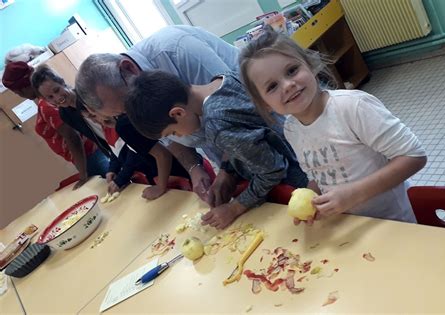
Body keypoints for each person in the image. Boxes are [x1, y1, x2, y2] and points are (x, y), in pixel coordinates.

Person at [239, 29, 427, 224]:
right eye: (272, 86)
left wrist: (355, 194)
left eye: (292, 70)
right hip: (345, 226)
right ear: (265, 104)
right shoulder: (291, 129)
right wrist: (312, 198)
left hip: (393, 222)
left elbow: (414, 156)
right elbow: (319, 175)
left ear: (310, 65)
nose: (287, 85)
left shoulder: (352, 108)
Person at [124, 69, 309, 229]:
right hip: (303, 150)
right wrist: (227, 170)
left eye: (173, 131)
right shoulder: (224, 79)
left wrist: (233, 208)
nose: (179, 137)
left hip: (297, 181)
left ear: (178, 113)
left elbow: (272, 171)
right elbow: (245, 137)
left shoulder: (217, 125)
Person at [75, 25, 240, 202]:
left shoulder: (177, 50)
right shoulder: (133, 97)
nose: (132, 113)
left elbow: (237, 116)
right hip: (229, 155)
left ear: (129, 68)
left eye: (127, 104)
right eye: (122, 113)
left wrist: (226, 172)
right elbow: (169, 140)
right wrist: (194, 168)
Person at [31, 64, 189, 199]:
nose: (57, 98)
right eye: (50, 97)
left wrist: (123, 178)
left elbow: (142, 146)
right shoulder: (67, 114)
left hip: (167, 167)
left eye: (57, 90)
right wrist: (114, 168)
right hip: (145, 166)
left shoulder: (112, 116)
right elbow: (109, 143)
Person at [1, 61, 105, 189]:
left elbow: (73, 137)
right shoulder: (46, 102)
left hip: (90, 157)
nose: (21, 96)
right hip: (91, 156)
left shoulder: (46, 105)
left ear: (24, 88)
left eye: (19, 92)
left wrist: (83, 175)